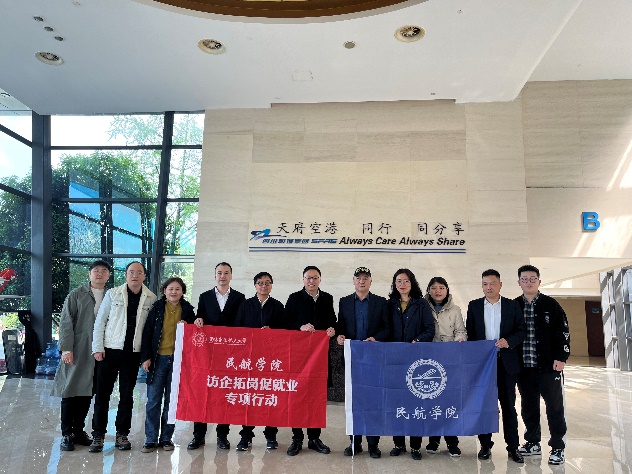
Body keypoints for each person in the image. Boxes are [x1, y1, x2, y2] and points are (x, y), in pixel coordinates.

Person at [89, 261, 157, 453]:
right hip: (110, 350)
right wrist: (97, 348)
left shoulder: (151, 298)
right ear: (126, 275)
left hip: (133, 353)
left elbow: (150, 330)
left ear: (144, 276)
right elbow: (100, 322)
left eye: (139, 272)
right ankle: (98, 435)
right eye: (131, 272)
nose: (135, 275)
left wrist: (146, 355)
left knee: (127, 395)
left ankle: (122, 434)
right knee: (102, 394)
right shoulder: (113, 294)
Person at [466, 269, 526, 463]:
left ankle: (513, 448)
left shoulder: (512, 305)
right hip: (484, 366)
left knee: (508, 406)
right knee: (484, 407)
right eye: (485, 284)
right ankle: (485, 446)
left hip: (506, 364)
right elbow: (470, 335)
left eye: (492, 283)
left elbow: (521, 331)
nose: (489, 287)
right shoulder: (474, 306)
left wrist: (509, 341)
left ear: (500, 285)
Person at [52, 260, 111, 451]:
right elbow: (66, 322)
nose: (99, 274)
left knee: (88, 390)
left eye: (104, 271)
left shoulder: (112, 295)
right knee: (70, 389)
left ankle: (78, 431)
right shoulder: (77, 294)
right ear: (89, 273)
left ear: (108, 275)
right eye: (96, 270)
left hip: (101, 350)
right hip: (78, 349)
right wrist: (66, 349)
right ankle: (67, 433)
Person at [515, 265, 570, 466]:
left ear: (539, 281)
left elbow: (563, 332)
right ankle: (532, 442)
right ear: (519, 282)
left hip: (549, 367)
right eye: (524, 279)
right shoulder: (514, 305)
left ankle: (558, 447)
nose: (529, 282)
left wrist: (561, 357)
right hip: (524, 368)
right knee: (528, 407)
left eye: (532, 278)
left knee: (554, 407)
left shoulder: (551, 304)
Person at [188, 262, 246, 450]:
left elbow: (240, 324)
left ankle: (222, 436)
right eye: (219, 273)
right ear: (215, 276)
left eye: (226, 273)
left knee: (224, 393)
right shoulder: (204, 296)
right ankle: (198, 435)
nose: (222, 276)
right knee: (202, 393)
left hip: (229, 354)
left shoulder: (239, 298)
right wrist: (198, 320)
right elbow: (200, 318)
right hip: (207, 353)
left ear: (231, 276)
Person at [336, 266, 390, 459]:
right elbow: (341, 325)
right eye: (358, 278)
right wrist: (340, 335)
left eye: (365, 278)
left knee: (373, 403)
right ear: (353, 281)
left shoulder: (381, 302)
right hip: (352, 359)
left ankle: (373, 445)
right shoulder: (344, 302)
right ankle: (354, 443)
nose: (361, 281)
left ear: (370, 281)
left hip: (373, 360)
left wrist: (376, 338)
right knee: (354, 403)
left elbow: (387, 328)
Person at [285, 265, 336, 457]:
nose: (311, 281)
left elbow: (333, 321)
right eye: (308, 278)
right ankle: (297, 438)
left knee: (316, 397)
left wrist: (332, 329)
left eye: (315, 278)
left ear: (320, 280)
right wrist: (300, 327)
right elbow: (285, 323)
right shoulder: (294, 298)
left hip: (319, 357)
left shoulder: (327, 298)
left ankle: (314, 438)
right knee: (297, 397)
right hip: (298, 357)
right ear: (303, 280)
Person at [140, 277, 195, 453]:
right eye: (170, 289)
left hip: (178, 361)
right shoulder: (156, 308)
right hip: (158, 359)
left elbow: (195, 336)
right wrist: (146, 357)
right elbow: (147, 333)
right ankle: (150, 439)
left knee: (172, 402)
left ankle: (166, 438)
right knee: (153, 401)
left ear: (182, 292)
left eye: (177, 289)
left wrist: (188, 326)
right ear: (164, 291)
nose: (174, 292)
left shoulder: (188, 310)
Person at [232, 272, 286, 451]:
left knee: (270, 397)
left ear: (271, 285)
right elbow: (237, 330)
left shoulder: (278, 306)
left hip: (271, 359)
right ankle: (246, 436)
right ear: (255, 285)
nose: (264, 286)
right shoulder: (245, 305)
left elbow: (285, 332)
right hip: (250, 359)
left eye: (267, 283)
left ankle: (271, 435)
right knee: (249, 397)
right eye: (260, 283)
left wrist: (272, 332)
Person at [387, 269, 435, 461]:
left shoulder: (421, 303)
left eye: (406, 281)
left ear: (412, 283)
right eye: (399, 281)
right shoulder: (390, 304)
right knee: (397, 403)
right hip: (395, 361)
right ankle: (398, 444)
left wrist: (418, 340)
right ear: (394, 284)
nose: (402, 284)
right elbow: (385, 329)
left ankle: (415, 446)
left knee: (416, 404)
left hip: (416, 361)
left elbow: (429, 329)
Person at [423, 276, 467, 458]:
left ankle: (452, 442)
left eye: (441, 287)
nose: (438, 291)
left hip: (449, 360)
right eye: (434, 288)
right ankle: (433, 441)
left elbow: (461, 330)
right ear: (428, 290)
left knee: (449, 402)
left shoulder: (455, 310)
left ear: (447, 290)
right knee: (432, 402)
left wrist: (460, 339)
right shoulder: (422, 307)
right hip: (428, 360)